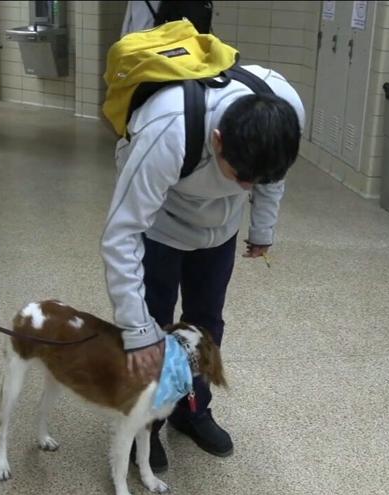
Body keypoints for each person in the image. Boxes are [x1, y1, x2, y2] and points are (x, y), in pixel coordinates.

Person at [100, 66, 304, 472]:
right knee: (154, 327)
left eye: (257, 179)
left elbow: (270, 177)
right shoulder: (168, 129)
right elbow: (120, 235)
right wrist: (136, 330)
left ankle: (192, 410)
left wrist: (262, 226)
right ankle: (148, 426)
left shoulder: (284, 108)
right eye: (241, 176)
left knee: (207, 326)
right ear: (217, 140)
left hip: (220, 230)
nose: (249, 187)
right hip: (159, 222)